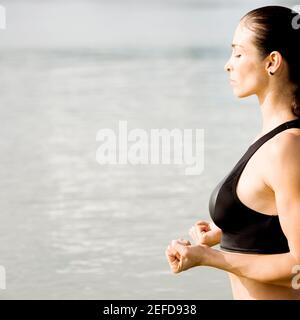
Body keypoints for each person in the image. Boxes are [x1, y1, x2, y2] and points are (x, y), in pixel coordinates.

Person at [166, 5, 300, 300]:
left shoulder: (286, 148)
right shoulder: (270, 139)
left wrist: (209, 257)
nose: (228, 64)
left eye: (238, 53)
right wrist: (226, 231)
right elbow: (271, 225)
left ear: (272, 62)